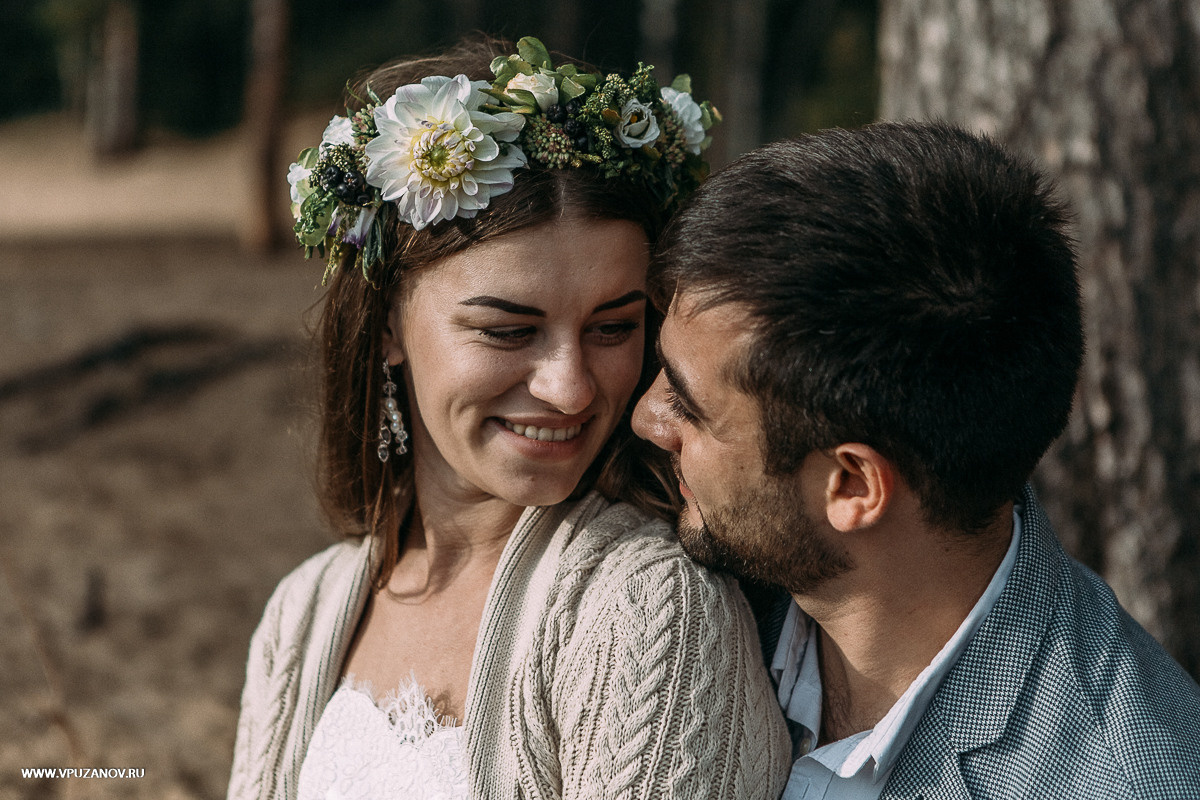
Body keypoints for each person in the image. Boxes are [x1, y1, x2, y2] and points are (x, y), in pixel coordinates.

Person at [227, 36, 791, 800]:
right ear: (389, 326)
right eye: (508, 330)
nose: (570, 388)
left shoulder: (651, 610)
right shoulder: (303, 613)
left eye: (613, 327)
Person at [633, 121, 1200, 798]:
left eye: (689, 407)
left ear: (851, 486)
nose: (644, 418)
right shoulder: (686, 588)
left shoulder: (1123, 777)